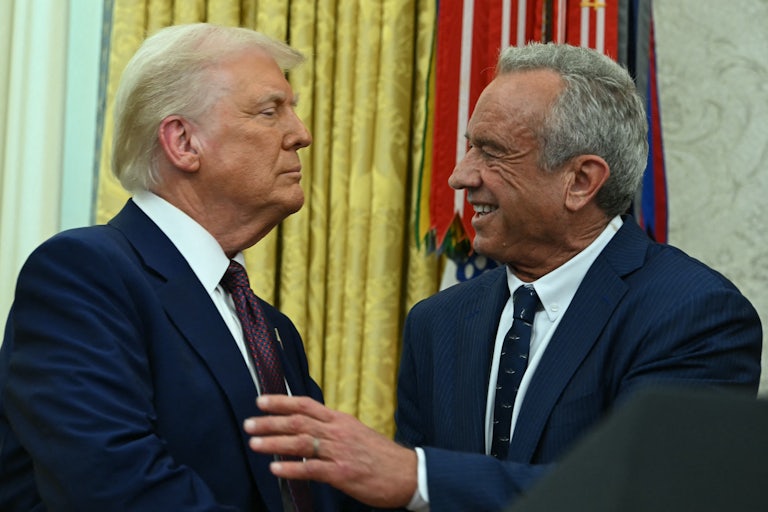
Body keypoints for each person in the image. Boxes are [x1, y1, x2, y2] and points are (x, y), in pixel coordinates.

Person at [241, 42, 763, 511]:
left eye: (491, 151)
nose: (460, 175)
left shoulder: (692, 313)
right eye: (470, 146)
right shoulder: (439, 321)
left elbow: (648, 496)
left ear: (580, 181)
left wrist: (419, 477)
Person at [0, 23, 346, 511]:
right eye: (271, 111)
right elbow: (115, 488)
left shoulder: (272, 328)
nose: (301, 134)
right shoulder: (84, 275)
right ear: (183, 142)